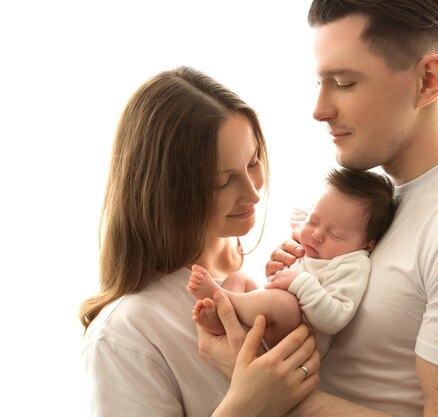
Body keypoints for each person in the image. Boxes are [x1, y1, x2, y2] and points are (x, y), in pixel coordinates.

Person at [195, 1, 438, 417]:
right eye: (320, 82)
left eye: (345, 83)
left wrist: (266, 389)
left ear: (427, 81)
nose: (319, 109)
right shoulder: (379, 205)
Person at [79, 66, 321, 417]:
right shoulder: (127, 335)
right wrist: (245, 407)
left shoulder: (278, 267)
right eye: (222, 182)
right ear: (167, 193)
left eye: (253, 162)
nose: (253, 193)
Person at [187, 168, 397, 357]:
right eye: (313, 221)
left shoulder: (352, 264)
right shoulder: (311, 245)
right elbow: (277, 276)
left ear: (367, 246)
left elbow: (335, 318)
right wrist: (277, 271)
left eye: (335, 234)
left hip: (298, 342)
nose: (316, 235)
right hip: (266, 321)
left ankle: (223, 299)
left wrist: (299, 282)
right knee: (240, 278)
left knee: (284, 303)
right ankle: (221, 318)